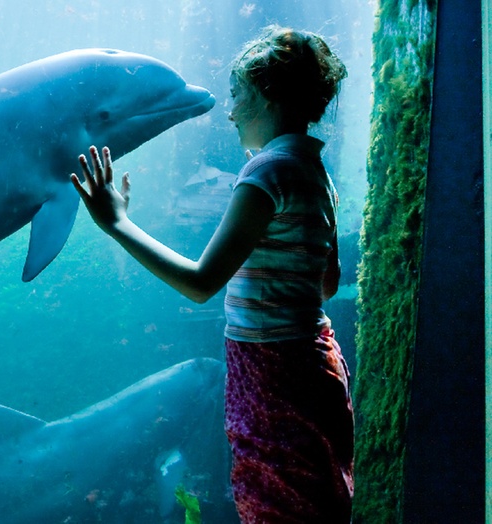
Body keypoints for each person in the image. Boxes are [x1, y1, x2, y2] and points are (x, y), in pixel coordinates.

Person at [70, 25, 353, 523]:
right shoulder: (314, 171)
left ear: (266, 97)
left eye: (237, 95)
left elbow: (201, 283)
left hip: (269, 370)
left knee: (273, 502)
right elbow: (325, 285)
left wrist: (117, 223)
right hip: (317, 361)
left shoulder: (265, 173)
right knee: (314, 496)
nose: (229, 111)